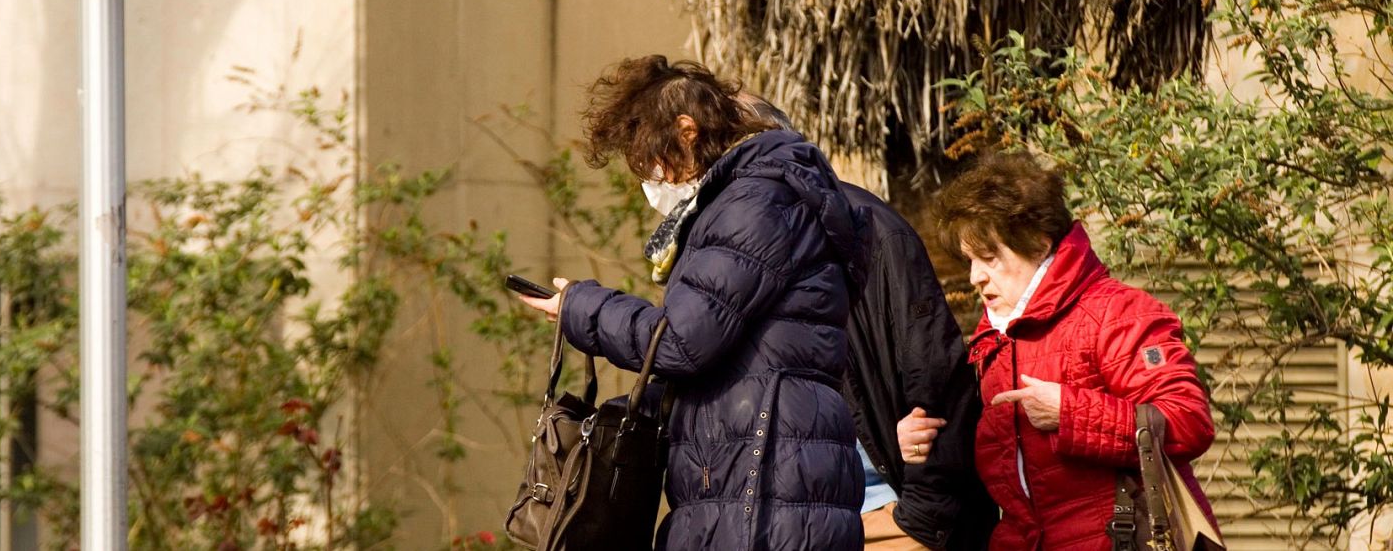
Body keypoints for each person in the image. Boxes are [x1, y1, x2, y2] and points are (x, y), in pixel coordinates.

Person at [517, 56, 865, 550]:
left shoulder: (753, 202)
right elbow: (729, 352)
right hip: (755, 461)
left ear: (686, 131)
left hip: (765, 474)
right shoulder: (751, 199)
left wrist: (582, 306)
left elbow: (683, 340)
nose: (651, 178)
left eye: (652, 159)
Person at [916, 151, 1219, 551]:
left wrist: (1070, 413)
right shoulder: (994, 343)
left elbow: (1188, 423)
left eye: (989, 258)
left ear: (1039, 246)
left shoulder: (1118, 312)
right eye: (971, 260)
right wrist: (924, 439)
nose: (975, 277)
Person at [740, 95, 996, 551]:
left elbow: (933, 377)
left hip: (881, 513)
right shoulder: (733, 254)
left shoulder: (869, 229)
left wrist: (920, 516)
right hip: (792, 521)